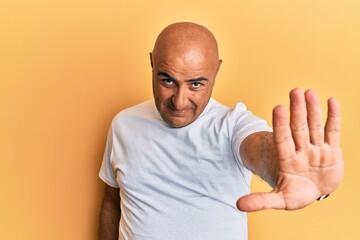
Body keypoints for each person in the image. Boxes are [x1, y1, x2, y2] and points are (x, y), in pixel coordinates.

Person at [98, 22, 344, 240]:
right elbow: (112, 200)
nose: (180, 101)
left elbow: (259, 148)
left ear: (216, 71)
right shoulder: (123, 124)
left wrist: (291, 171)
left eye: (196, 84)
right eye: (168, 81)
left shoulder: (233, 125)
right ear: (152, 63)